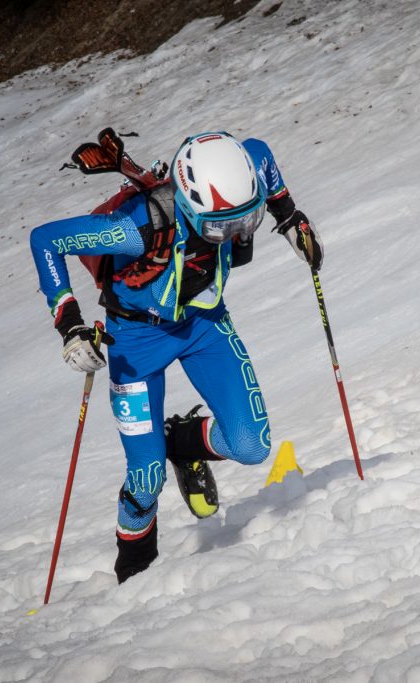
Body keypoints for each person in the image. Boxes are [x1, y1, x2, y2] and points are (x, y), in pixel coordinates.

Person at [29, 131, 323, 583]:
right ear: (188, 204)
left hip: (203, 324)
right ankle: (134, 572)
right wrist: (69, 323)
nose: (234, 237)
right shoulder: (136, 229)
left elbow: (261, 153)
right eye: (222, 228)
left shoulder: (244, 175)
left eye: (247, 223)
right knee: (146, 480)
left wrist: (288, 216)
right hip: (134, 341)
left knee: (251, 445)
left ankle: (183, 442)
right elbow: (47, 240)